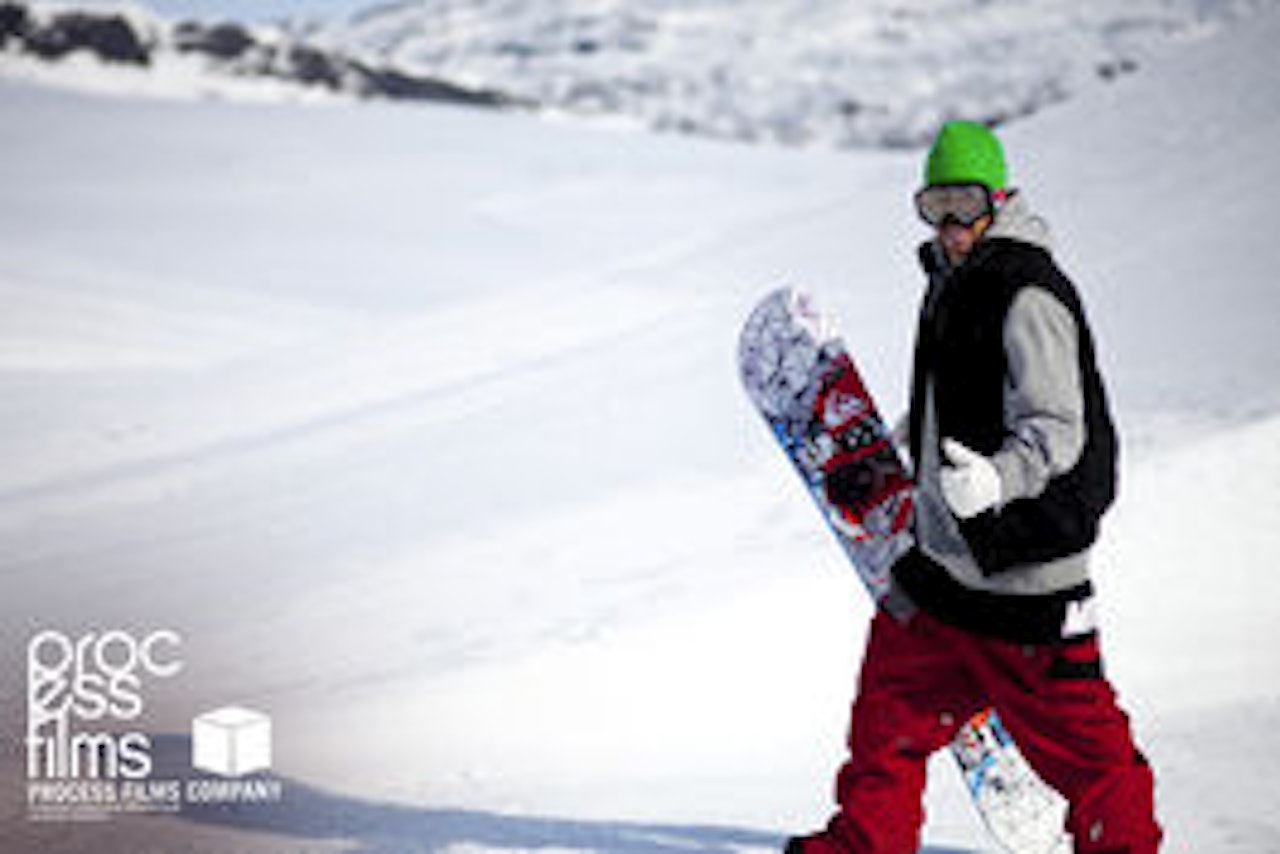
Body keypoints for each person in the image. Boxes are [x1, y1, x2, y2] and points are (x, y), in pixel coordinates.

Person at [787, 121, 1162, 854]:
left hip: (1025, 576)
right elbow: (963, 397)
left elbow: (1058, 428)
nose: (951, 226)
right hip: (949, 566)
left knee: (1089, 752)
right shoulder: (952, 282)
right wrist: (909, 439)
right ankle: (868, 842)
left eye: (964, 203)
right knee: (888, 711)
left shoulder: (1029, 292)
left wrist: (998, 479)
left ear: (1002, 198)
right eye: (934, 206)